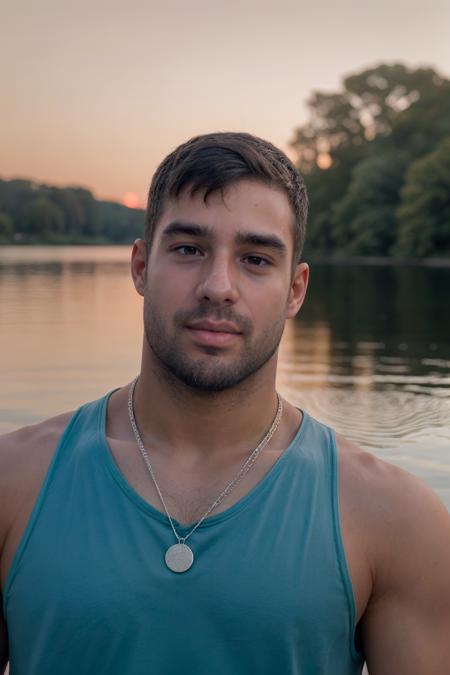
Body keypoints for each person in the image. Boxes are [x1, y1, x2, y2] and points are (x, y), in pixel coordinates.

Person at [0, 132, 449, 675]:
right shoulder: (14, 483)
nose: (218, 286)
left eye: (256, 259)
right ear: (141, 266)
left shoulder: (398, 521)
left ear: (295, 290)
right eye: (189, 249)